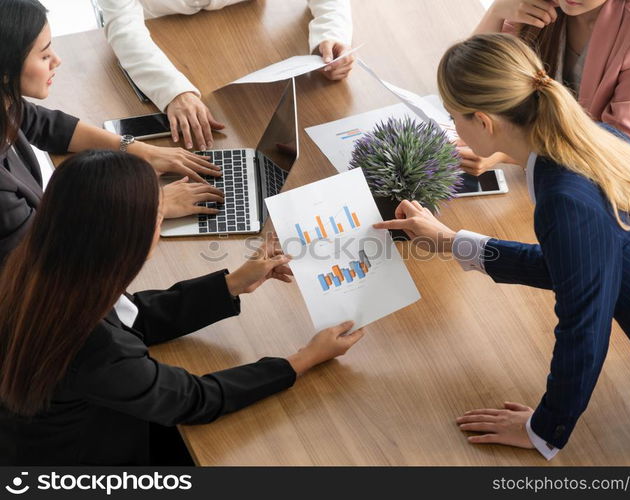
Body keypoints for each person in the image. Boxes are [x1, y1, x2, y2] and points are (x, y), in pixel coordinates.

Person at [375, 33, 630, 460]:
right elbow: (580, 266)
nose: (452, 129)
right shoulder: (597, 138)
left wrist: (544, 430)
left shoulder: (563, 198)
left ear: (484, 122)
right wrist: (451, 243)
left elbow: (584, 327)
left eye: (453, 118)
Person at [0, 149, 364, 465]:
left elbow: (131, 315)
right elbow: (194, 399)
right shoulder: (99, 350)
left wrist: (231, 284)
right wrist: (302, 359)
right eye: (158, 218)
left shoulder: (37, 272)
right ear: (129, 239)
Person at [0, 0, 225, 262]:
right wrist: (151, 204)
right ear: (5, 71)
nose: (57, 60)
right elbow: (43, 250)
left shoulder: (6, 103)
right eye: (44, 54)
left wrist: (142, 150)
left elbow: (45, 124)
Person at [461, 0, 630, 212]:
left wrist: (507, 150)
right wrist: (498, 10)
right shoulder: (536, 5)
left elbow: (622, 146)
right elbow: (467, 83)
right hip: (569, 171)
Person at [98, 0, 355, 151]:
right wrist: (173, 91)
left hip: (245, 38)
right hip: (162, 43)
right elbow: (124, 28)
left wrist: (331, 35)